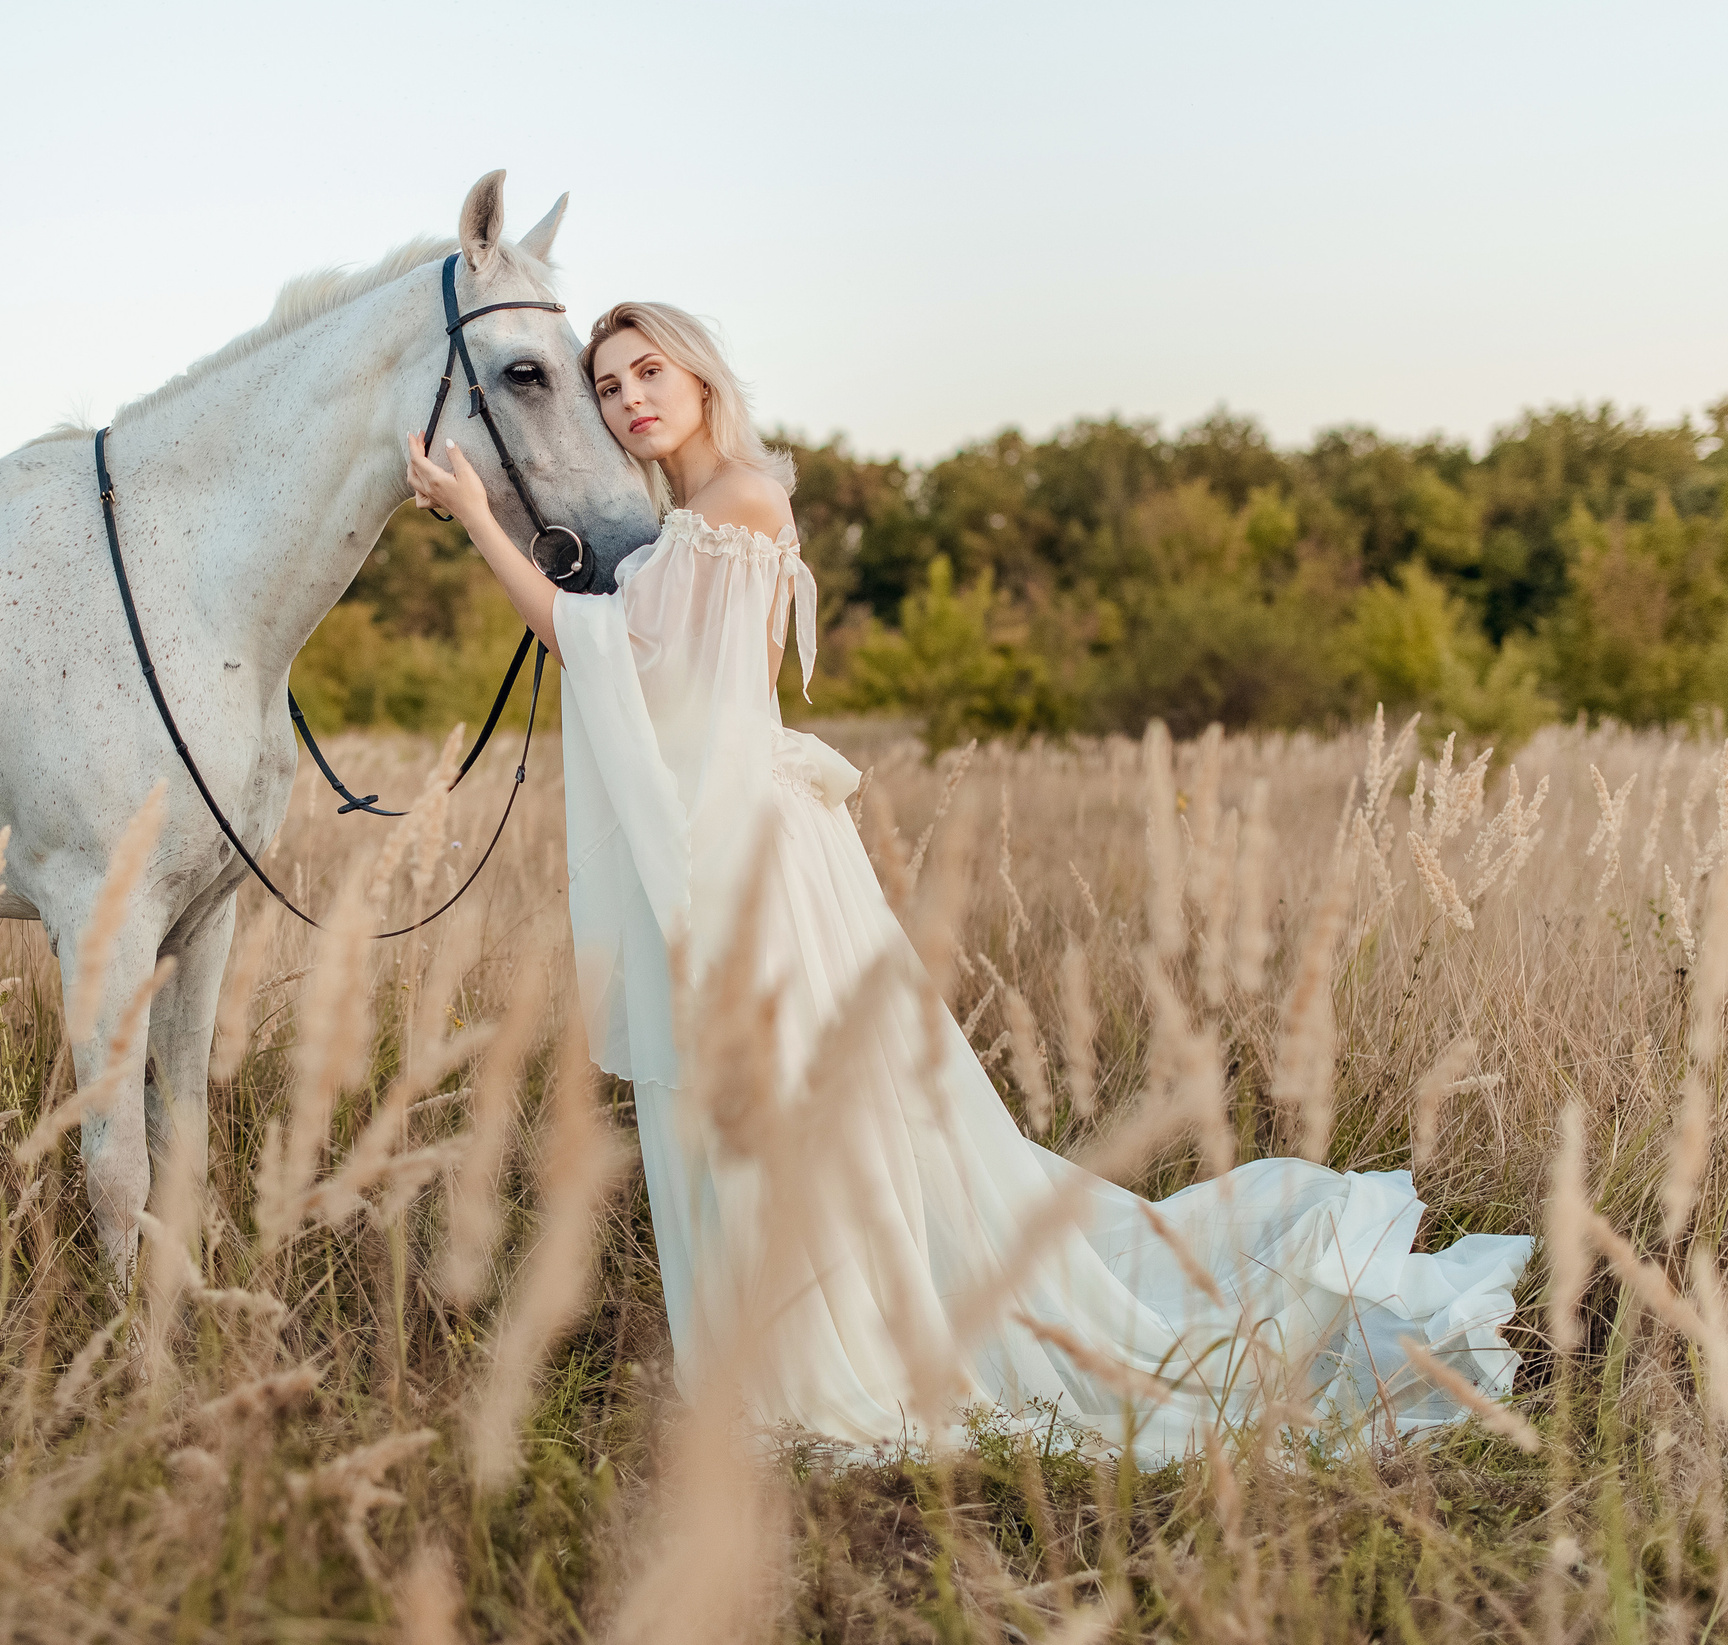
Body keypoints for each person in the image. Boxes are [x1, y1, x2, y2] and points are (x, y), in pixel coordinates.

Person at [404, 302, 1533, 1457]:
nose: (627, 397)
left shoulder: (738, 499)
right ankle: (787, 1341)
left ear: (700, 379)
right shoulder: (683, 515)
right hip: (725, 838)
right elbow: (641, 664)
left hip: (751, 854)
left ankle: (827, 1352)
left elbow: (610, 655)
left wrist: (480, 520)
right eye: (605, 385)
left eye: (649, 371)